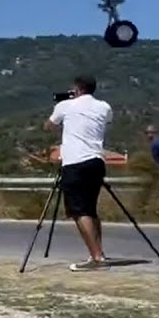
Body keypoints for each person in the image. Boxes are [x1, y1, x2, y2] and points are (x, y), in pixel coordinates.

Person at [45, 74, 114, 271]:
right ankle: (99, 251)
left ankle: (97, 258)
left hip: (75, 162)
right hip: (97, 161)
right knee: (90, 208)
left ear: (76, 89)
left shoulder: (65, 106)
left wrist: (64, 106)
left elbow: (48, 126)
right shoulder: (104, 106)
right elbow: (105, 121)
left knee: (79, 211)